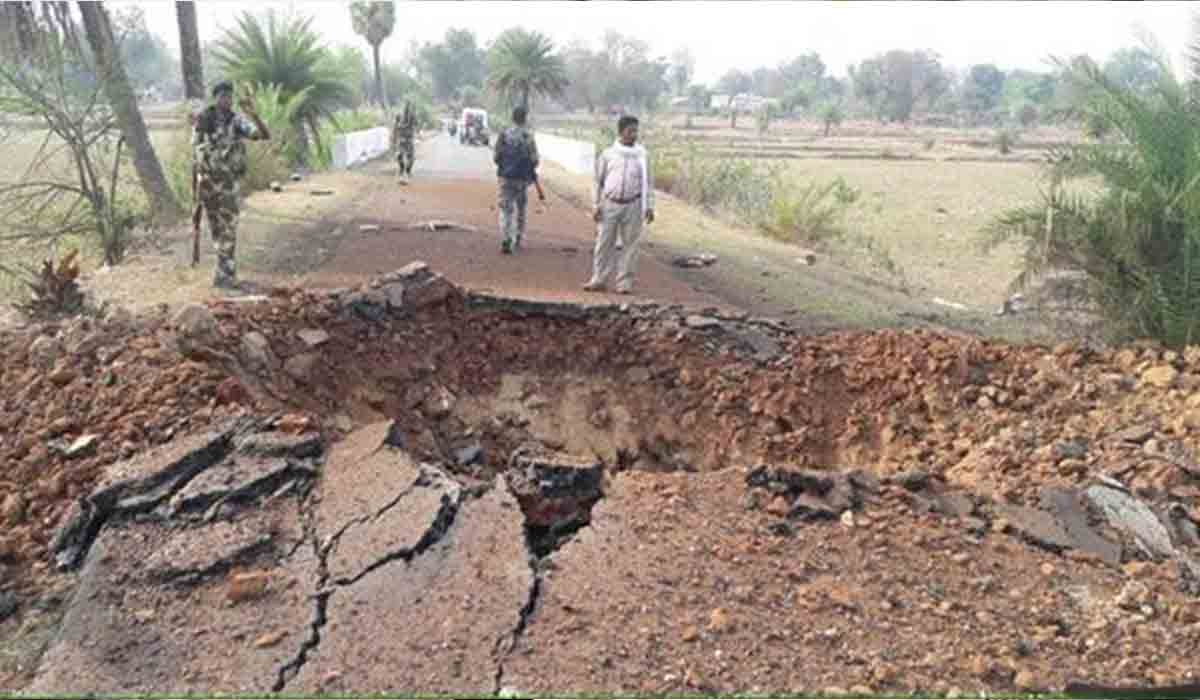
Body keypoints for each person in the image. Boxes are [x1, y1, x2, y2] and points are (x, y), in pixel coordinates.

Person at [193, 81, 270, 291]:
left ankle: (225, 275)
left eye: (229, 96)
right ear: (215, 98)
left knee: (229, 229)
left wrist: (254, 115)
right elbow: (195, 152)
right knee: (217, 231)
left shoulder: (236, 121)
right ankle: (224, 274)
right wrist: (197, 184)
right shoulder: (204, 119)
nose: (226, 100)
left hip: (228, 184)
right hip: (208, 183)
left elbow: (263, 135)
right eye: (222, 96)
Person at [585, 114, 654, 294]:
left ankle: (624, 283)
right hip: (610, 204)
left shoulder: (642, 156)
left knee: (631, 246)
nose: (634, 135)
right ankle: (599, 279)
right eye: (630, 131)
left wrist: (649, 206)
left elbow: (648, 183)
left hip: (633, 205)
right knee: (603, 243)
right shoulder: (608, 154)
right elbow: (597, 181)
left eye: (636, 131)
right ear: (621, 132)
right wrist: (595, 204)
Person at [492, 105, 540, 254]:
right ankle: (518, 237)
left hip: (505, 178)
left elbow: (496, 157)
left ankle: (506, 238)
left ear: (512, 118)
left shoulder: (504, 134)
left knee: (506, 209)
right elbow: (535, 160)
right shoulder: (528, 136)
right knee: (521, 208)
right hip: (522, 180)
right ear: (525, 119)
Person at [392, 101, 416, 182]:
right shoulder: (399, 116)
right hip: (401, 140)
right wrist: (394, 139)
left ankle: (408, 172)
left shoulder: (411, 116)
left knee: (410, 158)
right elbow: (395, 128)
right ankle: (402, 171)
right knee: (399, 156)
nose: (406, 110)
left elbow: (414, 125)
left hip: (409, 140)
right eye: (405, 108)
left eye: (407, 108)